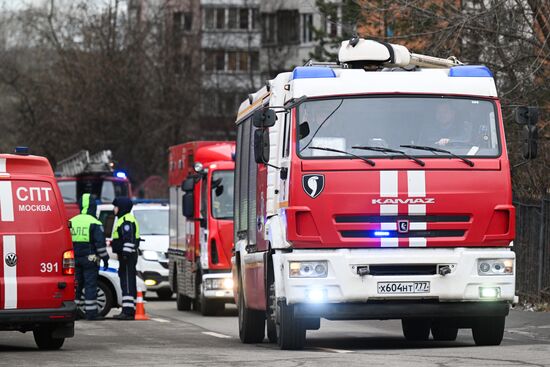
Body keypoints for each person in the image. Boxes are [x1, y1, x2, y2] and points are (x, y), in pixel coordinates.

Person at [70, 193, 109, 321]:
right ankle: (91, 313)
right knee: (90, 285)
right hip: (90, 260)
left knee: (76, 285)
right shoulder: (95, 222)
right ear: (93, 207)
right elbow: (100, 244)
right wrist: (105, 259)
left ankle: (73, 312)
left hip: (74, 259)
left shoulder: (72, 221)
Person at [111, 197, 140, 320]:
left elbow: (128, 239)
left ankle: (128, 312)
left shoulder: (126, 220)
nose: (114, 209)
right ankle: (128, 309)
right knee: (127, 281)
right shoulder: (123, 219)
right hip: (126, 256)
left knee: (127, 283)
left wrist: (125, 255)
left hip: (127, 257)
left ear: (121, 207)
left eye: (116, 206)